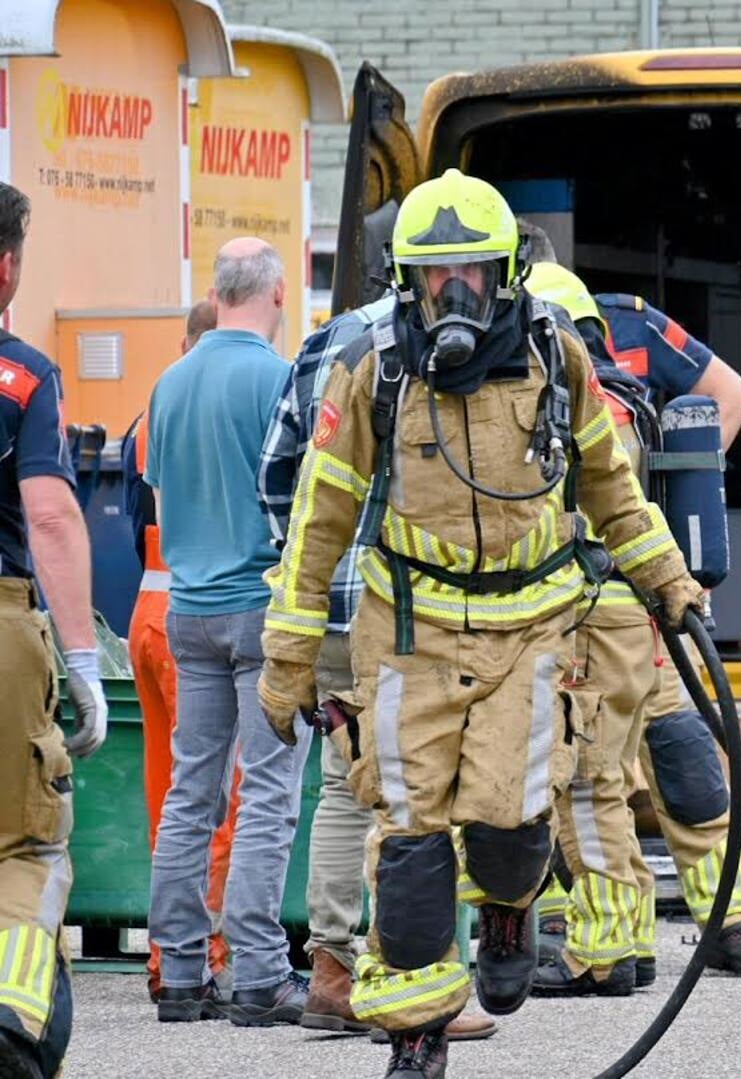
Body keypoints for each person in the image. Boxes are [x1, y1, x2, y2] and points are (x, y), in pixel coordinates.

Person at [255, 170, 704, 1079]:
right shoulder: (374, 367)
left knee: (508, 818)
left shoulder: (553, 355)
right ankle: (417, 1033)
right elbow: (319, 520)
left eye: (469, 271)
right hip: (409, 634)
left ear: (503, 272)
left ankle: (508, 904)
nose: (451, 292)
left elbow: (612, 484)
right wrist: (288, 655)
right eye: (433, 274)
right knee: (411, 830)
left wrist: (669, 578)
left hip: (533, 628)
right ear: (403, 279)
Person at [517, 261, 741, 998]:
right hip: (654, 605)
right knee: (681, 756)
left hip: (593, 615)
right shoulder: (627, 393)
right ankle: (702, 923)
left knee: (586, 777)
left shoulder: (549, 405)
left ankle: (616, 942)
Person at [256, 289, 498, 1044]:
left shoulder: (326, 341)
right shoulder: (439, 345)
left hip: (327, 603)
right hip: (407, 603)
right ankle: (409, 973)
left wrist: (311, 573)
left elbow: (275, 475)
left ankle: (331, 973)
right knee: (421, 788)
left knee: (345, 782)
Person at [145, 238, 314, 1027]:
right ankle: (258, 972)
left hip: (189, 608)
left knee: (191, 794)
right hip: (263, 609)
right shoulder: (281, 380)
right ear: (276, 293)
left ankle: (179, 971)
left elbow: (158, 488)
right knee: (269, 791)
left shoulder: (169, 383)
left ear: (216, 293)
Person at [0, 179, 106, 1079]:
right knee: (24, 844)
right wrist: (80, 661)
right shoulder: (24, 375)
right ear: (5, 268)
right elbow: (55, 516)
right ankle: (9, 1022)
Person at [130, 300, 242, 1003]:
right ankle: (212, 951)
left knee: (167, 794)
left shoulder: (153, 412)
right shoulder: (215, 406)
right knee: (217, 799)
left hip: (147, 609)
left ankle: (166, 954)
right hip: (197, 614)